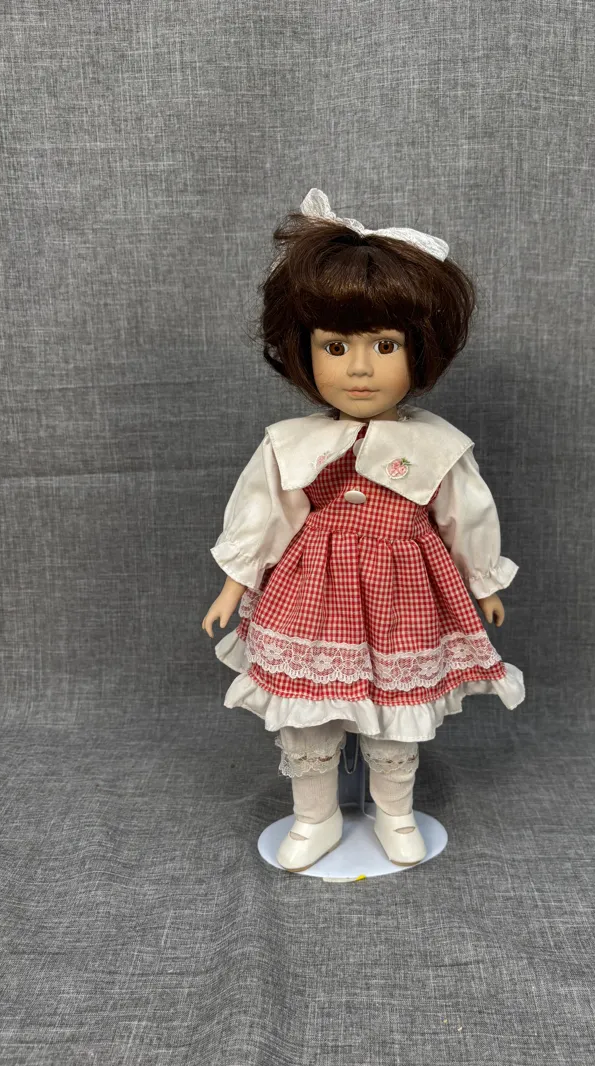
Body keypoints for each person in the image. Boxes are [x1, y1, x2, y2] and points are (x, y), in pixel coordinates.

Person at [202, 188, 524, 872]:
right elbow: (264, 511)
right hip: (313, 591)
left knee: (396, 713)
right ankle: (314, 816)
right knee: (309, 710)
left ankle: (395, 812)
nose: (358, 367)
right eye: (334, 345)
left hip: (403, 591)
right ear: (304, 350)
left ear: (419, 351)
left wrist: (484, 580)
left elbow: (466, 513)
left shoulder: (437, 446)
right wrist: (234, 582)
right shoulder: (291, 443)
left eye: (385, 345)